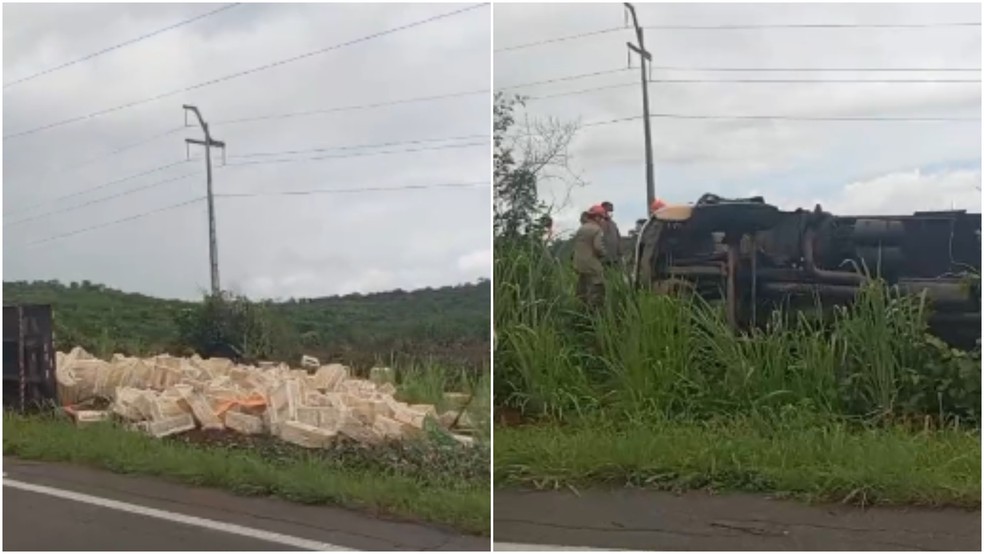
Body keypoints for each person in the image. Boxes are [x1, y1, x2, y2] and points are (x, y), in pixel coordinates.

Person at [573, 204, 608, 308]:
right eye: (602, 218)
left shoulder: (581, 228)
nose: (603, 221)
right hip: (592, 264)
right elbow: (598, 247)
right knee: (597, 289)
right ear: (597, 217)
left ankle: (581, 310)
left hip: (579, 264)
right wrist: (604, 254)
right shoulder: (596, 229)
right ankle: (594, 313)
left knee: (582, 289)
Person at [600, 201, 622, 267]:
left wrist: (620, 251)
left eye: (611, 211)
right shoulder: (599, 223)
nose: (609, 213)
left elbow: (618, 238)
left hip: (614, 257)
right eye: (608, 210)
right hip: (603, 258)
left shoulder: (613, 224)